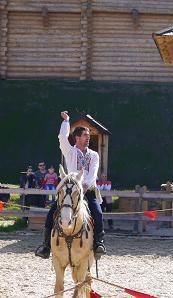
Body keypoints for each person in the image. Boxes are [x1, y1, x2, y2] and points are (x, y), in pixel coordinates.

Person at [35, 111, 106, 259]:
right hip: (70, 191)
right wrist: (66, 121)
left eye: (88, 135)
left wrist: (85, 185)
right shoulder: (70, 152)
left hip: (88, 190)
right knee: (52, 212)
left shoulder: (94, 155)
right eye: (85, 135)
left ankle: (98, 243)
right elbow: (62, 137)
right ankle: (46, 245)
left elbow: (93, 172)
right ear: (77, 137)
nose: (88, 138)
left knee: (98, 213)